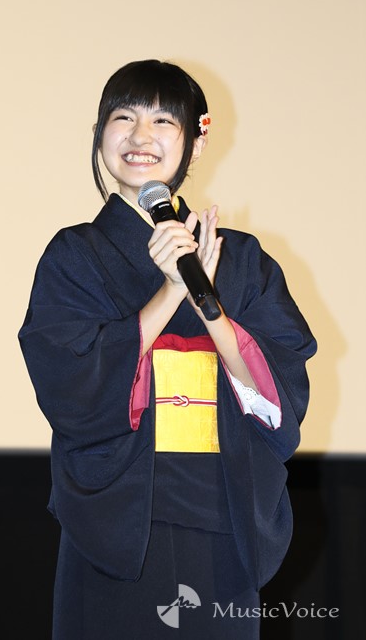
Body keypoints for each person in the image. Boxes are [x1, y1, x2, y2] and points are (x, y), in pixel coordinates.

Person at [18, 59, 317, 639]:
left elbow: (280, 396)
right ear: (100, 133)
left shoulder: (243, 260)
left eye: (162, 121)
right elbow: (69, 386)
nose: (140, 136)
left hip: (223, 515)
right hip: (118, 526)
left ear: (195, 143)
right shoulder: (75, 256)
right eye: (123, 118)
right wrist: (168, 291)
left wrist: (210, 308)